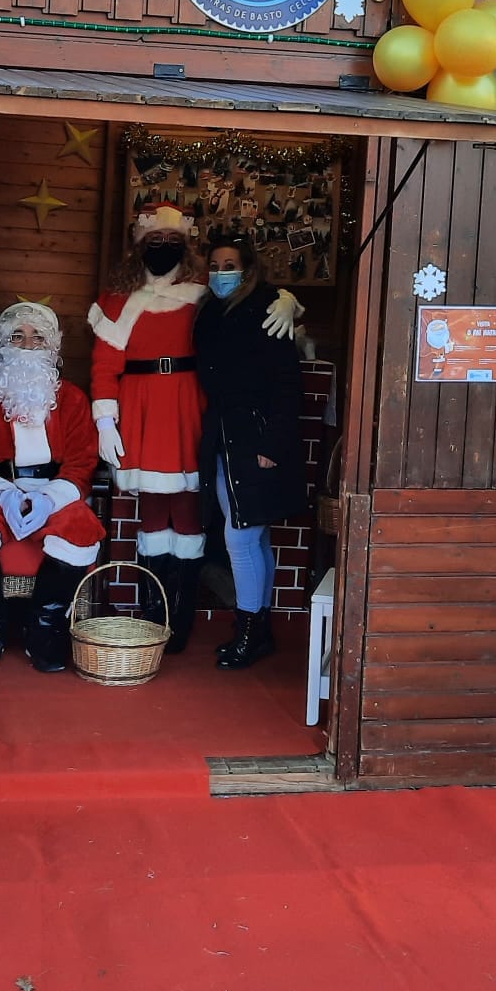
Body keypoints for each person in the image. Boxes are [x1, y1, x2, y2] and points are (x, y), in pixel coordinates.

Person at [90, 204, 298, 654]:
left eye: (171, 243)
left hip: (191, 408)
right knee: (152, 513)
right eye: (154, 243)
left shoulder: (203, 292)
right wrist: (105, 419)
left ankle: (180, 620)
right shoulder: (116, 298)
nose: (162, 250)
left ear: (185, 248)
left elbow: (252, 295)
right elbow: (105, 365)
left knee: (189, 508)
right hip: (141, 407)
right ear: (139, 247)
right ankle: (155, 614)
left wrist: (288, 300)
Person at [0, 303, 104, 672]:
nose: (28, 344)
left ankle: (44, 628)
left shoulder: (74, 399)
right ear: (2, 344)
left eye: (38, 337)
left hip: (54, 491)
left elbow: (82, 462)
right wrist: (2, 493)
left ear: (52, 347)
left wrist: (50, 498)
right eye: (18, 335)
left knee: (79, 524)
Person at [194, 237, 309, 669]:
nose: (221, 271)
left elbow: (286, 383)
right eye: (215, 264)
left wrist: (271, 444)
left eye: (230, 264)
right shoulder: (209, 311)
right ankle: (258, 630)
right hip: (225, 434)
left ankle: (249, 630)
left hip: (256, 436)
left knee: (240, 537)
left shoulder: (267, 307)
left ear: (247, 269)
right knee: (251, 534)